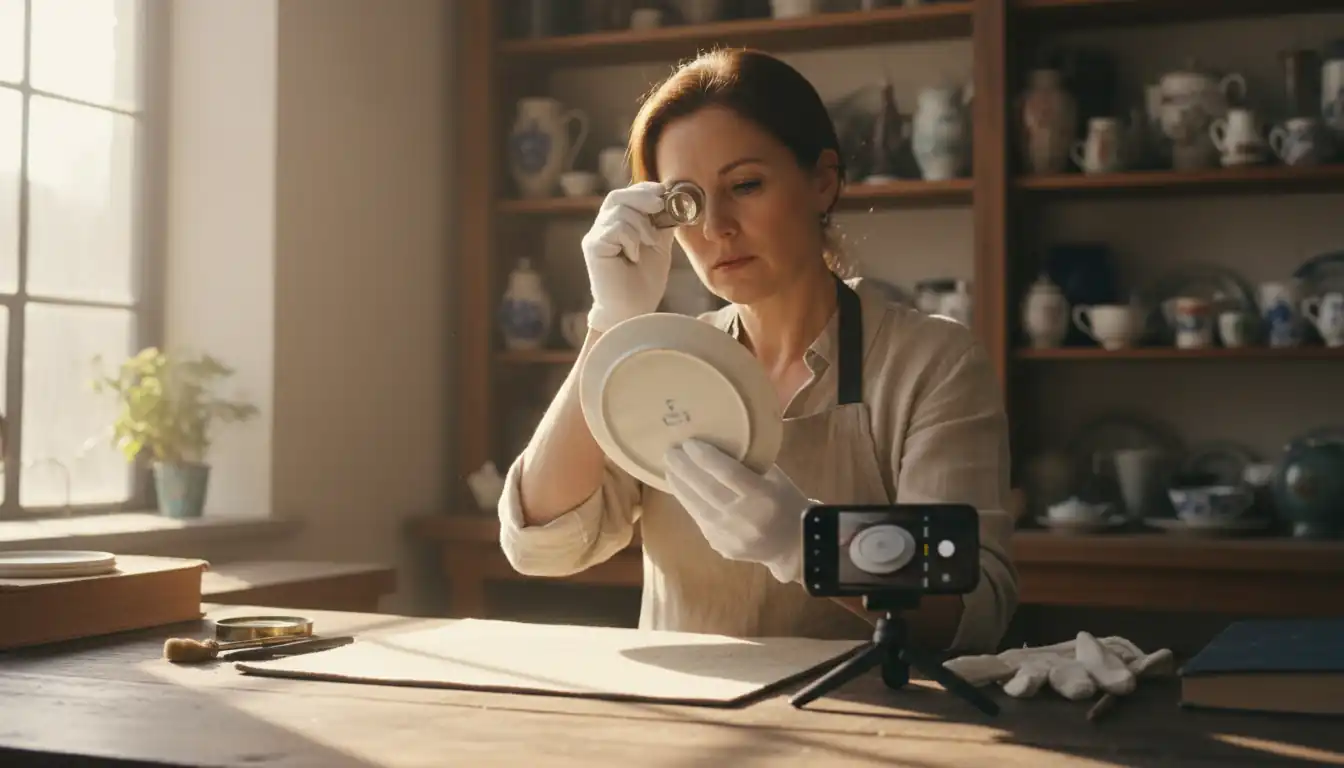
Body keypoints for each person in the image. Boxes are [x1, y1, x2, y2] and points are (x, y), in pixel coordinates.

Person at [496, 48, 1017, 654]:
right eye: (686, 201)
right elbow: (540, 545)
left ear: (822, 181)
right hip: (685, 731)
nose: (716, 227)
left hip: (863, 730)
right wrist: (611, 324)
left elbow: (972, 609)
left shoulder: (932, 363)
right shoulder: (663, 362)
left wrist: (804, 542)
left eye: (745, 185)